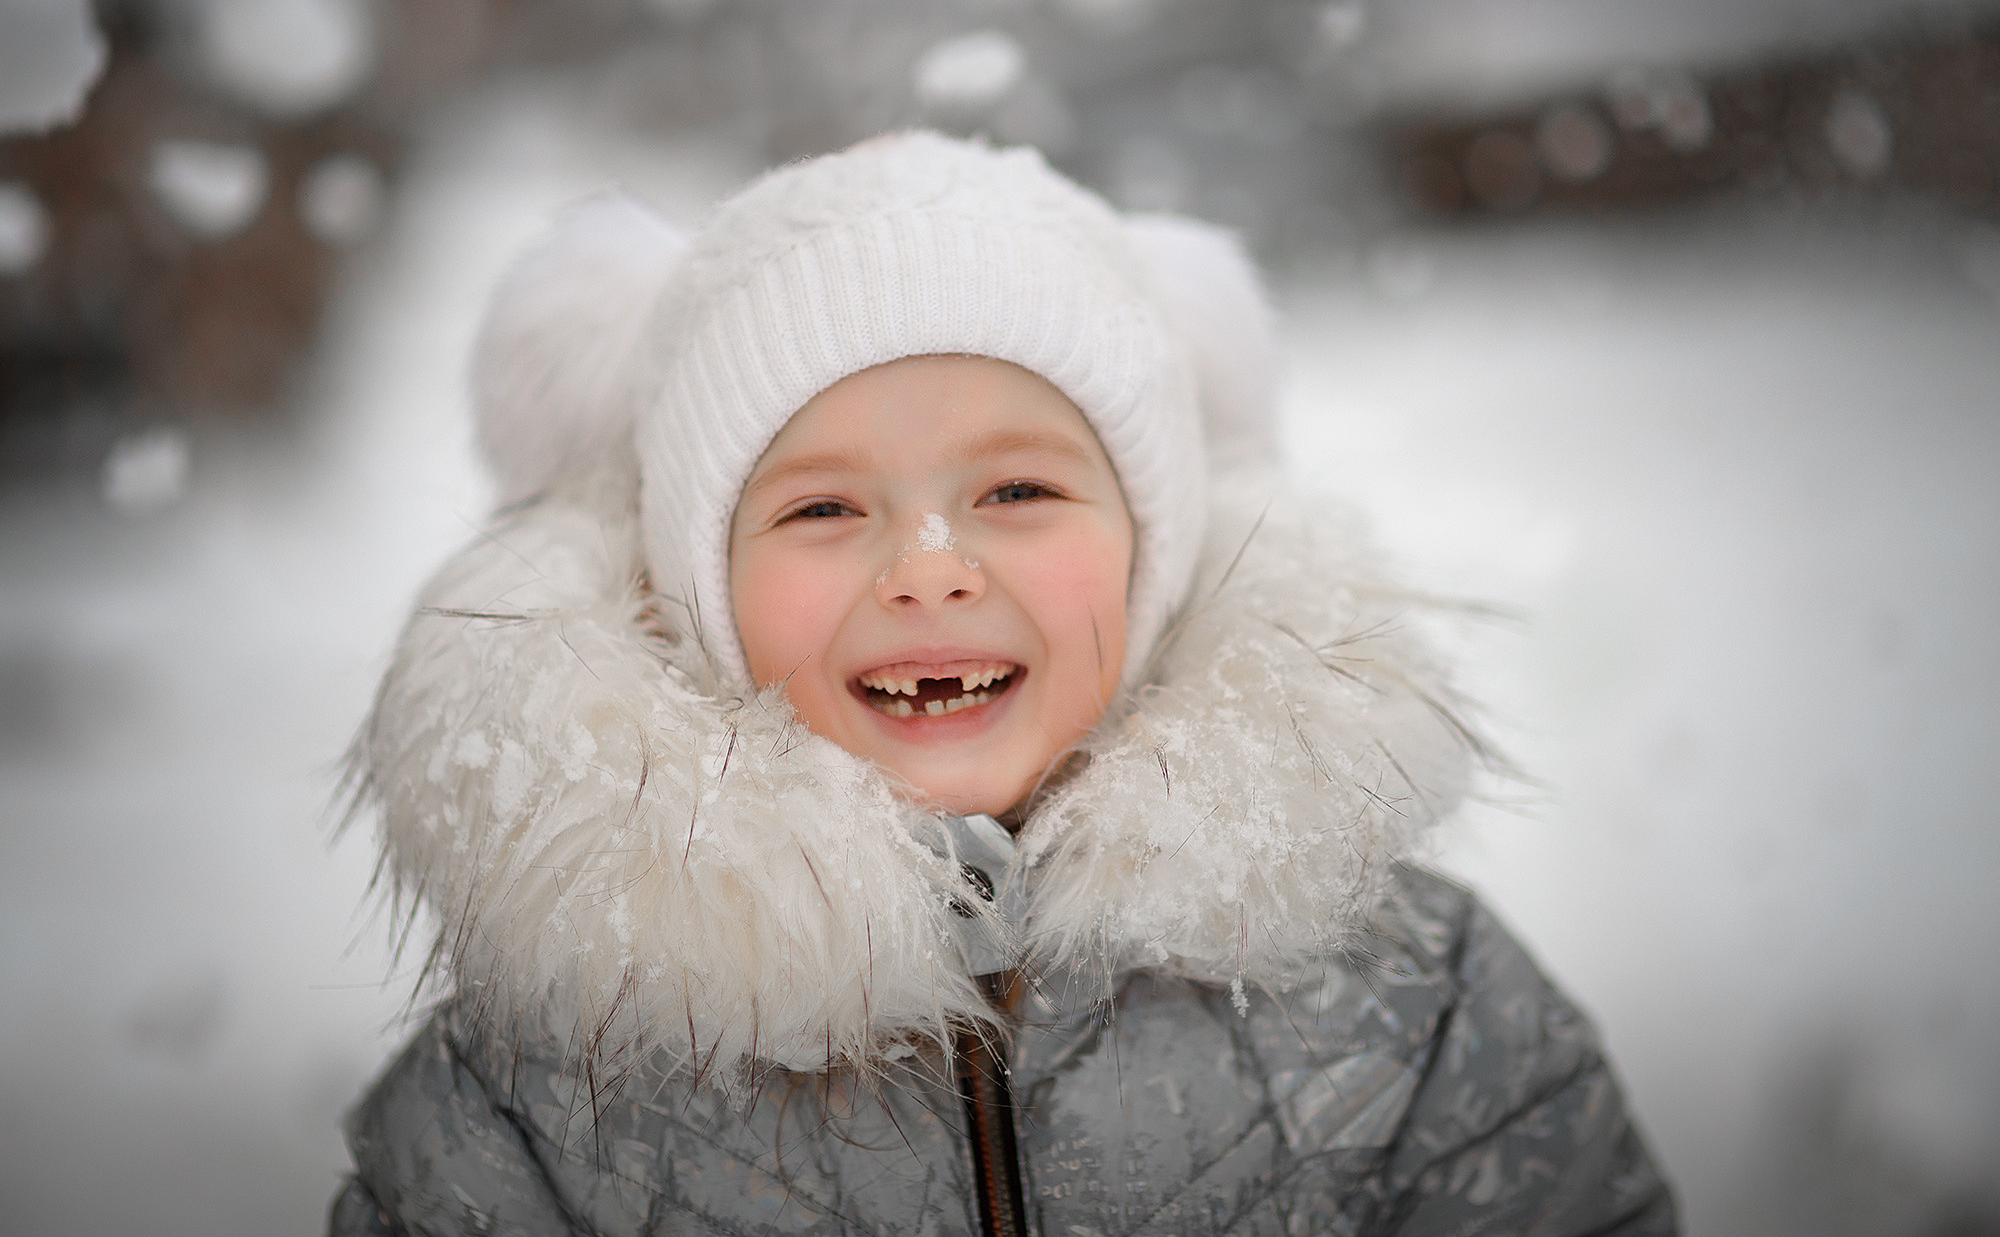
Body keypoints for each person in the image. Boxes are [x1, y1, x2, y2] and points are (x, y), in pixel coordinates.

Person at [330, 132, 1676, 1236]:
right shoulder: (545, 1087)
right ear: (687, 592)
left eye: (1017, 489)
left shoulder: (1418, 1011)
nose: (928, 568)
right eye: (821, 510)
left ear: (1156, 546)